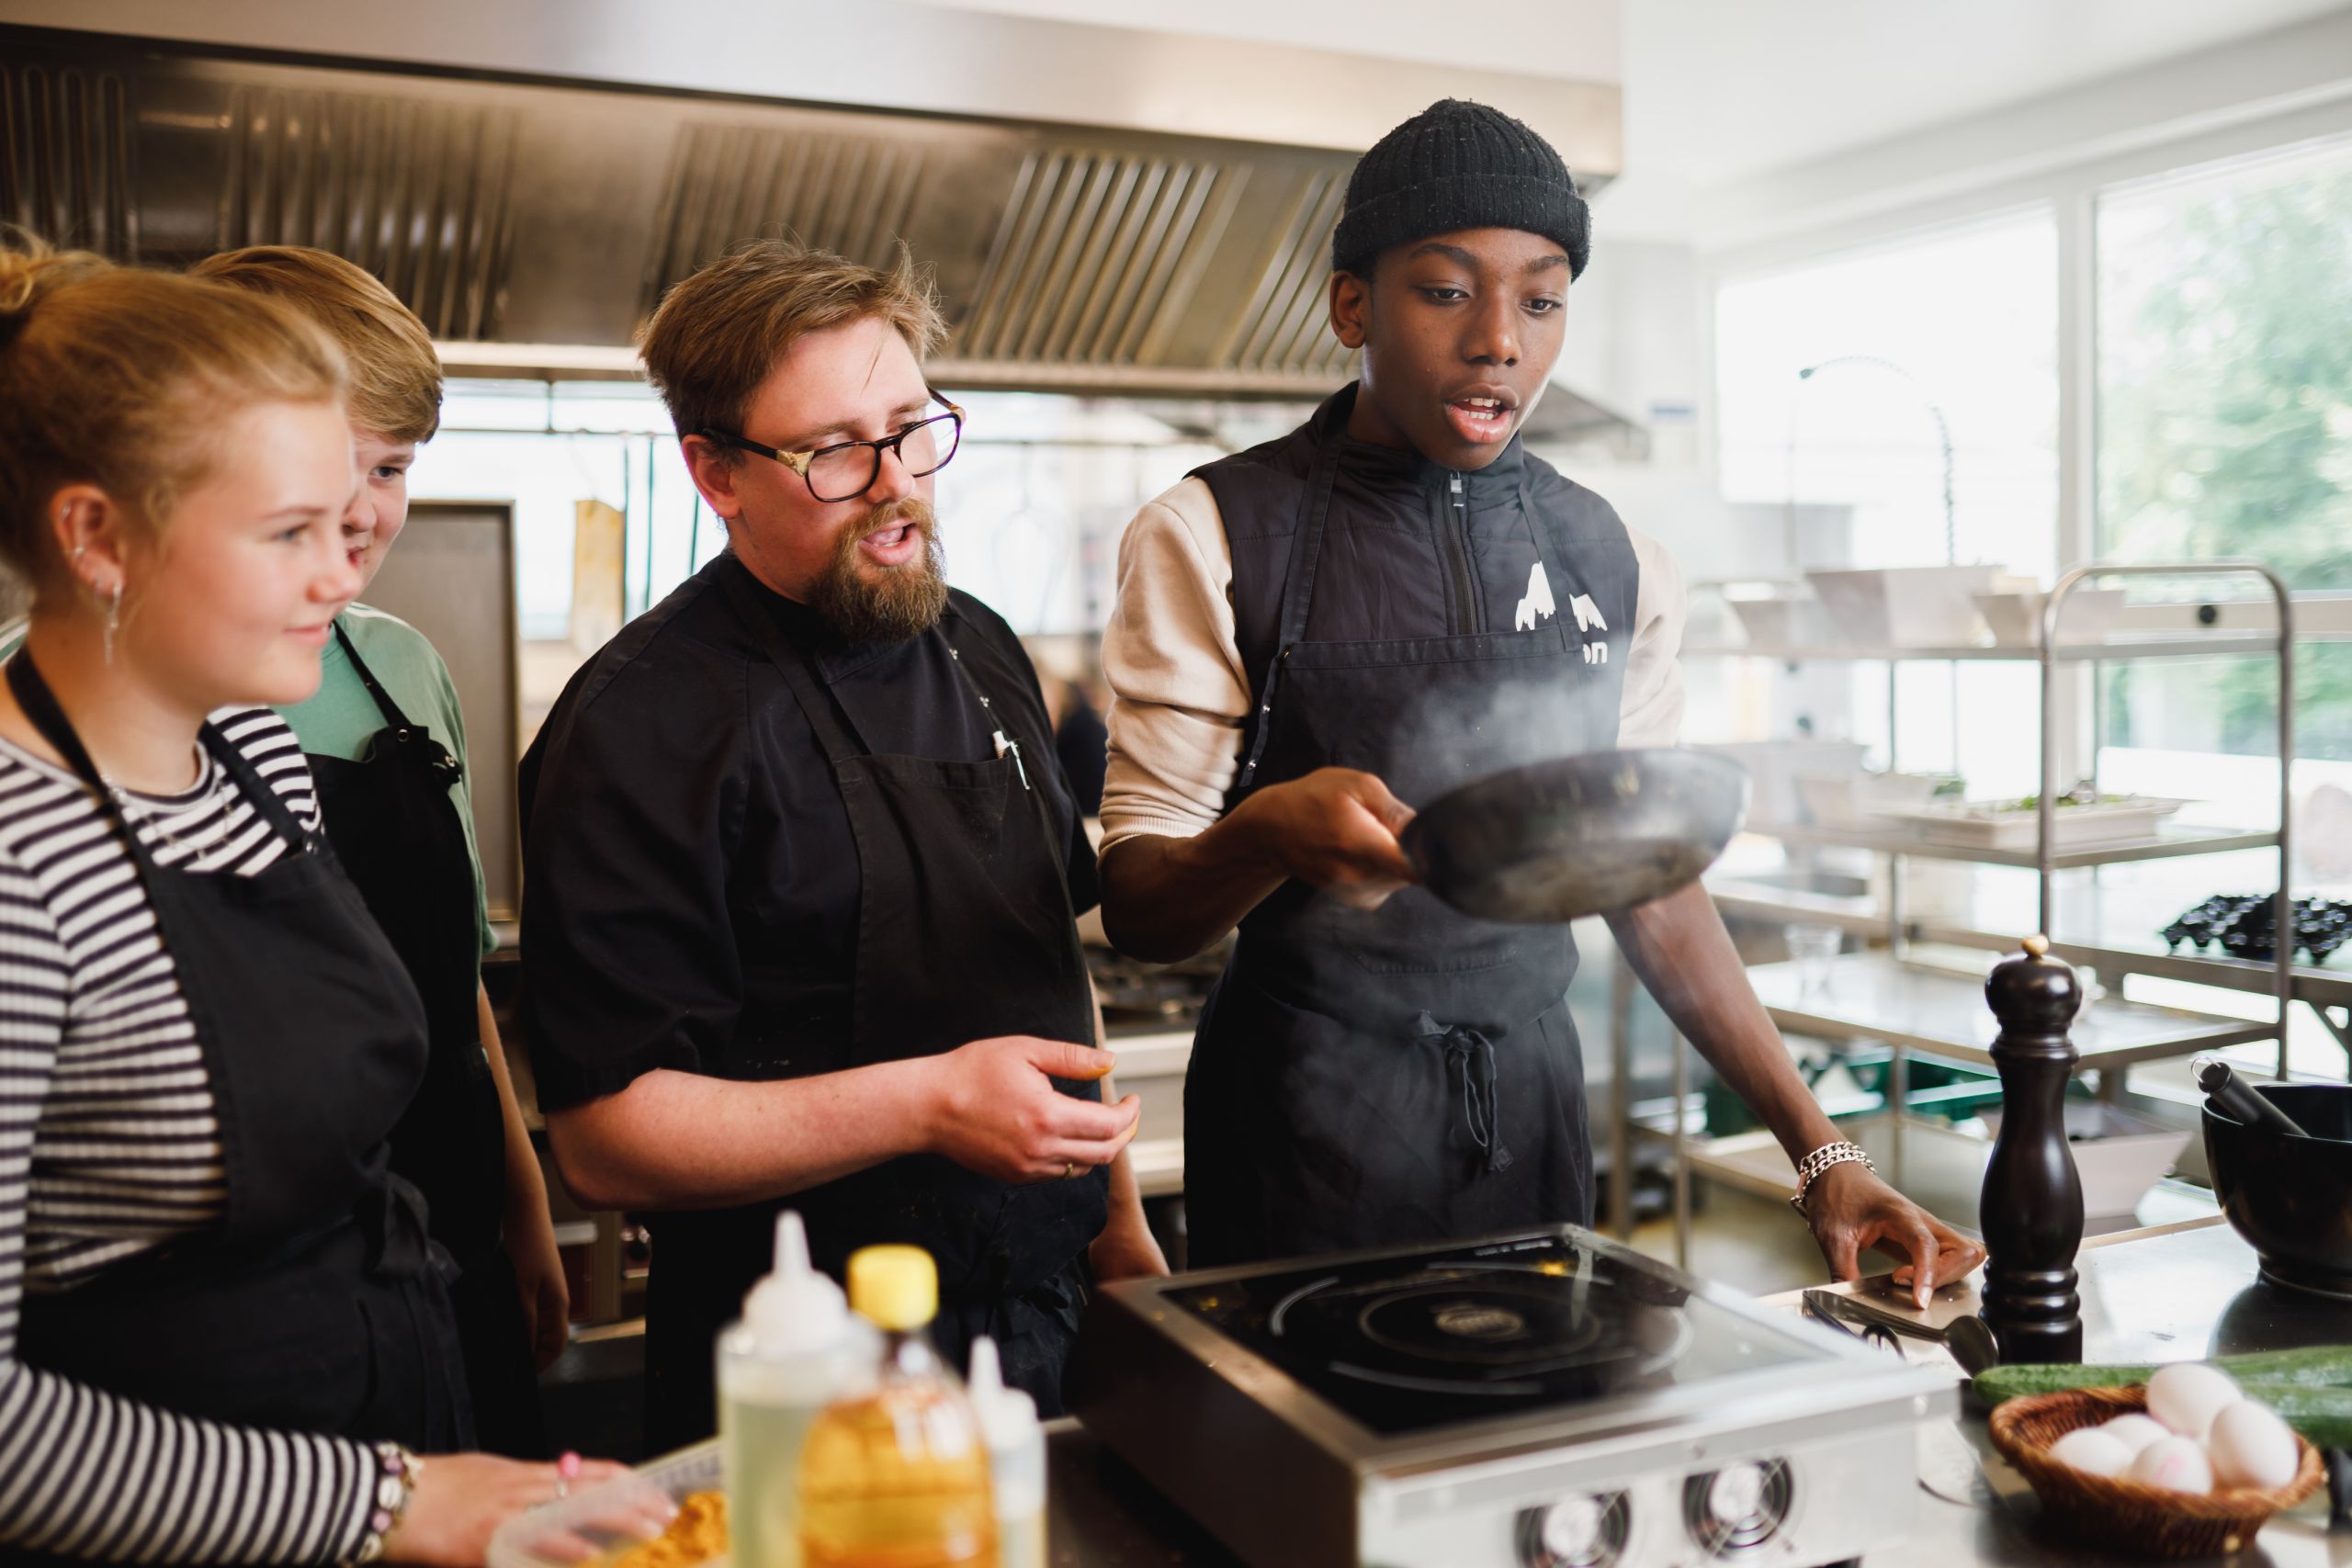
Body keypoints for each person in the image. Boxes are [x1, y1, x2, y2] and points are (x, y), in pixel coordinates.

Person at [1098, 101, 1984, 1303]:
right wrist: (1265, 834)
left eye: (1542, 296)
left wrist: (1822, 1156)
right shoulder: (1212, 534)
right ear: (1352, 304)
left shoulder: (1611, 554)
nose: (1498, 341)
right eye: (1447, 290)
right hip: (1302, 1133)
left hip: (1534, 1121)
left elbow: (1653, 881)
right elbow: (1143, 908)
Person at [0, 240, 615, 1564]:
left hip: (401, 1413)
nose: (344, 576)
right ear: (97, 537)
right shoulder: (15, 864)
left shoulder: (255, 750)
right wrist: (385, 1506)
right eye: (289, 532)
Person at [519, 241, 1165, 1451]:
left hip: (1048, 1328)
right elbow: (607, 1138)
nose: (893, 483)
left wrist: (1115, 1213)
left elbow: (1049, 964)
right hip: (799, 1379)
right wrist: (924, 1105)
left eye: (912, 429)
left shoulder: (980, 646)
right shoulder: (640, 726)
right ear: (717, 473)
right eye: (833, 453)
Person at [197, 245, 567, 1455]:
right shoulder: (55, 698)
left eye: (393, 468)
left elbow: (449, 983)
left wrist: (521, 1206)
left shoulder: (400, 670)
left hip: (447, 1244)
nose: (362, 512)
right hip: (233, 1313)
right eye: (326, 467)